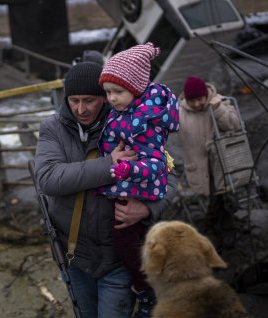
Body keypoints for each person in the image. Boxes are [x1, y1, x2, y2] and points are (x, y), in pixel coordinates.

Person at [34, 61, 177, 317]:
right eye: (73, 100)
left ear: (105, 97)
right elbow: (48, 179)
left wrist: (147, 208)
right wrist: (110, 165)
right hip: (74, 257)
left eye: (89, 100)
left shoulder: (132, 122)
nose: (80, 109)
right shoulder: (52, 128)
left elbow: (171, 176)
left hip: (117, 261)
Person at [96, 42, 179, 317]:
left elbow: (156, 163)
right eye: (107, 92)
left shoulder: (145, 122)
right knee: (139, 241)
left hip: (136, 187)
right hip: (129, 186)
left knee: (126, 242)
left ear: (136, 88)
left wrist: (129, 171)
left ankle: (146, 291)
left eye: (117, 92)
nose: (111, 99)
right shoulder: (128, 113)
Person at [178, 75, 241, 249]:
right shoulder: (179, 112)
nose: (197, 104)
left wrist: (219, 109)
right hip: (199, 166)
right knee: (215, 196)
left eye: (200, 99)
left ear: (206, 95)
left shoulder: (218, 102)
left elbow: (234, 125)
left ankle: (224, 230)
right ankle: (212, 224)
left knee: (221, 195)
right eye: (192, 101)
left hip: (221, 163)